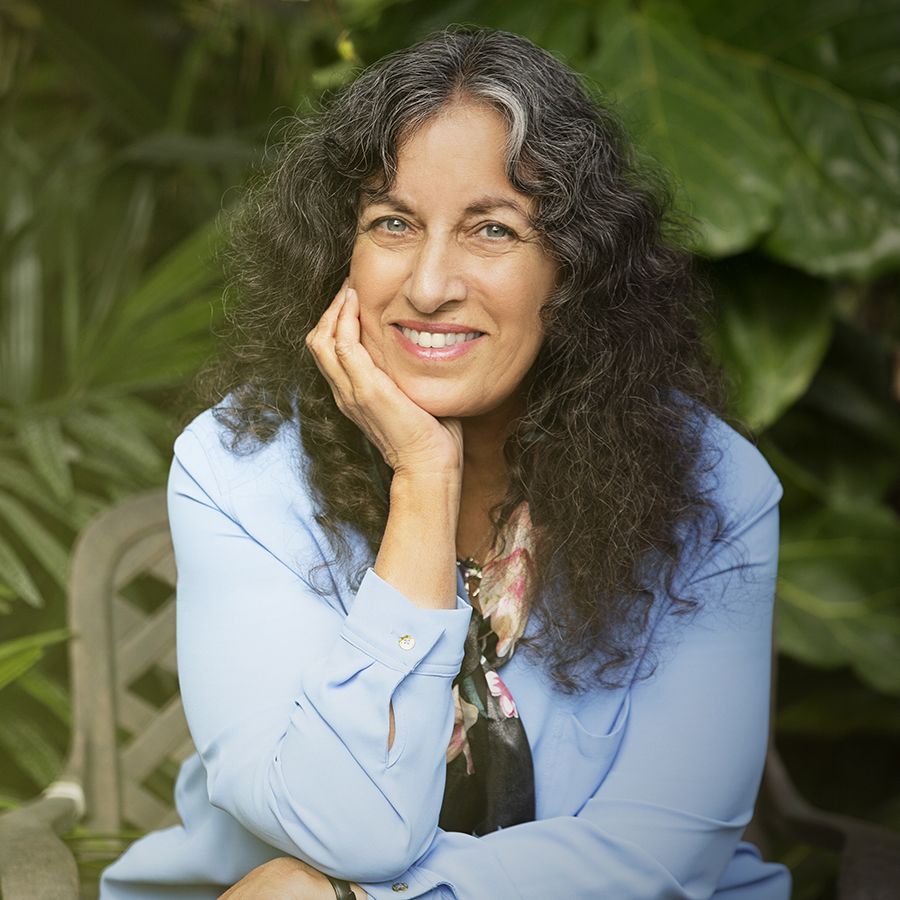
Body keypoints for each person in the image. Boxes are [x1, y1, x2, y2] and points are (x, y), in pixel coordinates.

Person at [100, 28, 791, 900]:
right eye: (392, 222)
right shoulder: (238, 470)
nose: (428, 285)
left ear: (572, 271)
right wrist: (424, 481)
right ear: (336, 253)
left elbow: (661, 851)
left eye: (491, 230)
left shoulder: (712, 488)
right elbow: (344, 827)